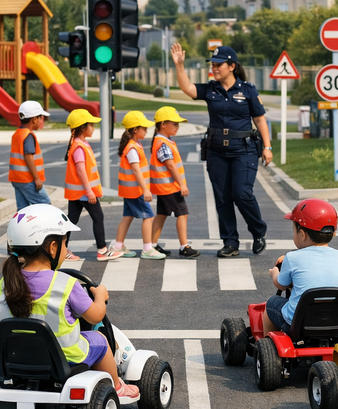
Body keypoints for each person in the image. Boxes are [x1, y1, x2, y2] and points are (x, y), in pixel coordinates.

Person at [0, 204, 139, 398]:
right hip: (65, 357)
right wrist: (100, 296)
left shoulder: (6, 283)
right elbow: (96, 316)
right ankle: (117, 386)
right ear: (52, 248)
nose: (66, 249)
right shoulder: (66, 284)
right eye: (65, 243)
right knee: (100, 340)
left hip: (16, 355)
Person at [171, 43, 272, 258]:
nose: (214, 68)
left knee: (242, 193)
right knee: (223, 198)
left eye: (218, 65)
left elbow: (260, 119)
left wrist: (267, 147)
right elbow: (188, 88)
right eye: (213, 65)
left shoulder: (248, 90)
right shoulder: (211, 89)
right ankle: (230, 242)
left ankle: (258, 232)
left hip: (244, 151)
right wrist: (179, 65)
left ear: (231, 66)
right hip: (217, 152)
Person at [263, 199, 338, 335]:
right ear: (333, 233)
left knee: (271, 303)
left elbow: (281, 285)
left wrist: (275, 273)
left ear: (302, 234)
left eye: (294, 231)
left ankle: (267, 342)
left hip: (299, 327)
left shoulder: (292, 258)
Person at [64, 109, 122, 262]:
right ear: (83, 128)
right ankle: (102, 250)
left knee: (71, 221)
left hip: (78, 193)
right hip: (84, 193)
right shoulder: (79, 147)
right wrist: (89, 191)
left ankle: (61, 249)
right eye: (91, 125)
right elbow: (81, 170)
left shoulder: (80, 144)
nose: (94, 128)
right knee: (98, 217)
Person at [111, 111, 164, 259]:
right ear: (135, 130)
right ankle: (147, 249)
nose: (146, 130)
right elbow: (136, 170)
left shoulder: (134, 145)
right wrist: (145, 189)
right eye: (144, 128)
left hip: (130, 190)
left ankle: (118, 246)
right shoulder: (132, 148)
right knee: (148, 217)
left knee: (127, 217)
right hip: (136, 191)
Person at [150, 106, 199, 258]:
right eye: (175, 124)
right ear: (163, 124)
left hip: (164, 187)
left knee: (162, 214)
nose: (177, 127)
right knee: (182, 214)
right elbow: (170, 165)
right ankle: (184, 246)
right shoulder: (163, 143)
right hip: (170, 188)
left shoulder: (163, 141)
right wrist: (182, 184)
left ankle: (152, 245)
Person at [9, 100, 52, 210]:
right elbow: (28, 158)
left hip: (17, 179)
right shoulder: (28, 136)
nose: (41, 121)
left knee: (23, 209)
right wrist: (36, 178)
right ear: (34, 119)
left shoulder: (17, 134)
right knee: (45, 206)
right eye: (40, 118)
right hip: (28, 179)